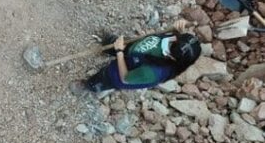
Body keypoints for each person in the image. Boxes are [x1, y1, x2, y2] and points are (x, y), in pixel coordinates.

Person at [72, 20, 201, 93]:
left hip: (119, 74)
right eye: (177, 38)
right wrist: (179, 30)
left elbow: (125, 78)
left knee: (106, 76)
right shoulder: (174, 40)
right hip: (134, 51)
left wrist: (119, 53)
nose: (173, 38)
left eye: (175, 41)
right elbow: (175, 40)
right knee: (114, 43)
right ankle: (108, 44)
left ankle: (90, 85)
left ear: (173, 57)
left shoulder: (153, 72)